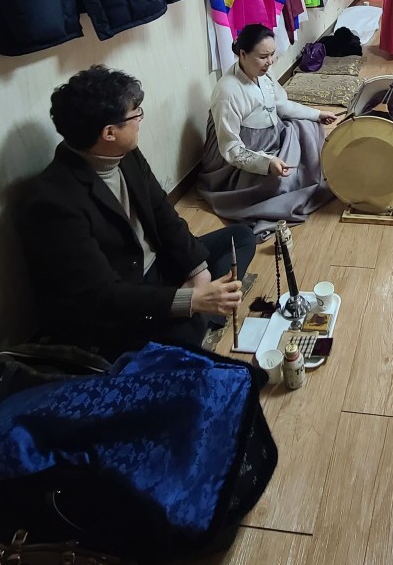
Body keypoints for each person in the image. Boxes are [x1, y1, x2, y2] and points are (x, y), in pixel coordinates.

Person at [19, 65, 256, 361]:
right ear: (109, 132)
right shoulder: (54, 202)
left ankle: (201, 313)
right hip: (121, 303)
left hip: (158, 269)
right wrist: (190, 299)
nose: (141, 120)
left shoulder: (125, 153)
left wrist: (198, 272)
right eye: (135, 115)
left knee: (242, 236)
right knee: (187, 331)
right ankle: (198, 317)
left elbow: (162, 213)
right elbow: (103, 296)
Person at [197, 23, 337, 236]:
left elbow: (281, 105)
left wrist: (317, 114)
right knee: (282, 181)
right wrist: (266, 163)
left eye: (272, 54)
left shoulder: (263, 74)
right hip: (244, 151)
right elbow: (231, 149)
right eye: (263, 56)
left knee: (308, 126)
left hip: (270, 135)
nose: (270, 62)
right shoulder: (227, 92)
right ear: (242, 54)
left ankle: (300, 174)